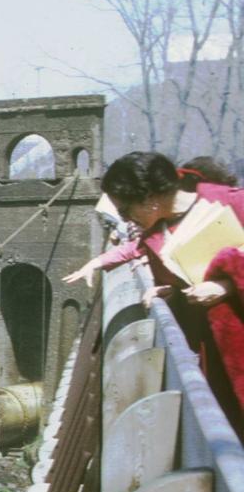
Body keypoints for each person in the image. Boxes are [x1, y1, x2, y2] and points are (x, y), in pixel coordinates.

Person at [63, 150, 244, 430]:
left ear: (149, 199)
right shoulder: (159, 231)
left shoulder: (233, 201)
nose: (126, 221)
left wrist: (227, 285)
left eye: (126, 211)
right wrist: (173, 292)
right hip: (217, 355)